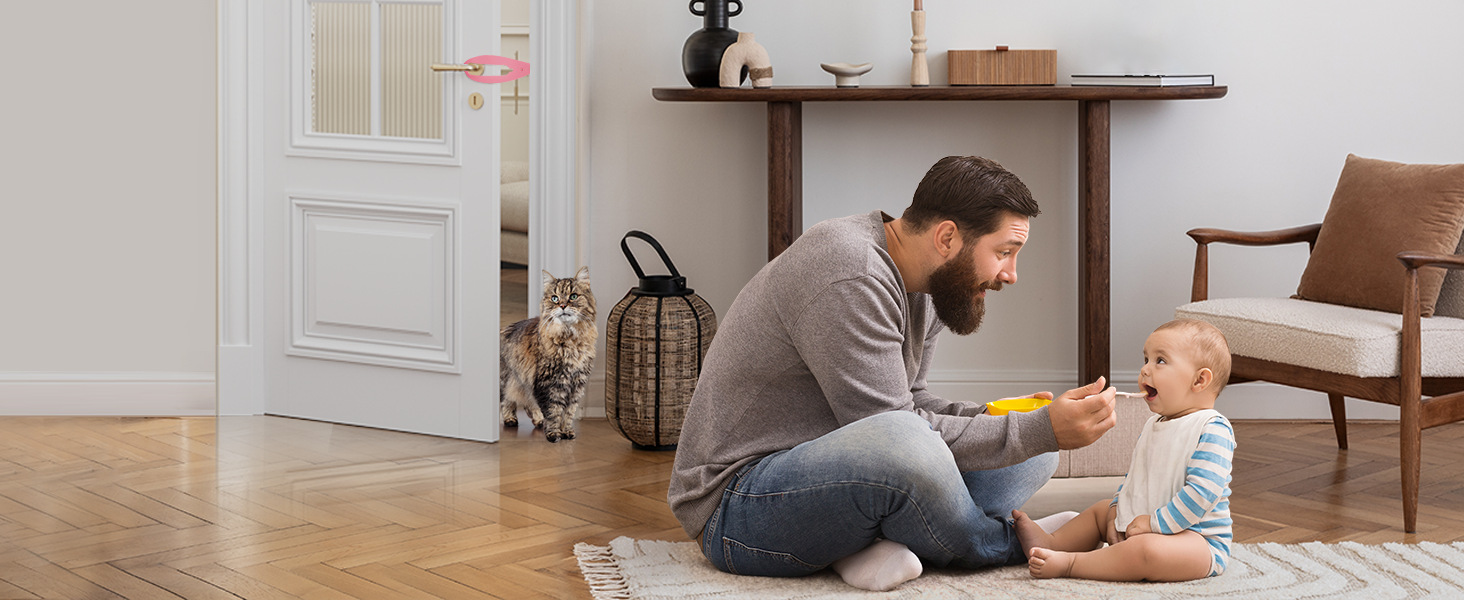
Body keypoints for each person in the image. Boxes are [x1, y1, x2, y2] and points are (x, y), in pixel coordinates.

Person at [667, 156, 1120, 592]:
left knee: (1035, 452)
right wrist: (1035, 429)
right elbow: (895, 434)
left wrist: (1012, 419)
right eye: (1004, 252)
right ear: (947, 238)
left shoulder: (926, 283)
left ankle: (863, 547)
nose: (1011, 274)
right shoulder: (851, 272)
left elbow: (911, 402)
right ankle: (1011, 544)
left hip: (840, 473)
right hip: (737, 504)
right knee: (925, 445)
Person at [1014, 318, 1236, 582]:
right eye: (1145, 359)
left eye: (1160, 361)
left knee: (1146, 551)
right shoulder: (1153, 425)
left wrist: (1154, 524)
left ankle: (1072, 563)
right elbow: (1136, 479)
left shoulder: (1212, 429)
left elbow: (1202, 495)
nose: (1145, 370)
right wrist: (1119, 508)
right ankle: (1051, 542)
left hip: (1197, 540)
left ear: (1199, 380)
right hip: (1145, 523)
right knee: (1100, 510)